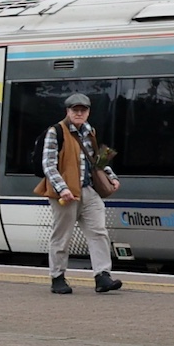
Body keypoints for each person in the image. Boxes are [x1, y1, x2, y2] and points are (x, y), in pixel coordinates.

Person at [38, 93, 123, 296]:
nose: (78, 113)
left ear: (88, 112)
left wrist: (111, 176)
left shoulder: (89, 131)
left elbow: (97, 161)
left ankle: (102, 276)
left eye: (82, 110)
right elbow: (48, 165)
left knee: (98, 232)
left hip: (88, 191)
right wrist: (63, 188)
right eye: (74, 110)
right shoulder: (55, 131)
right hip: (66, 194)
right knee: (62, 235)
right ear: (67, 111)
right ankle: (57, 277)